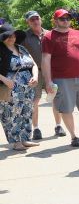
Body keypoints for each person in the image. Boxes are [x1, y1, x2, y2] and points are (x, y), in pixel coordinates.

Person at [41, 9, 79, 147]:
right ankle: (73, 136)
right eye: (62, 19)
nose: (65, 21)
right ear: (55, 20)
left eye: (67, 18)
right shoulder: (48, 36)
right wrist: (48, 81)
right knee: (66, 109)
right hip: (61, 79)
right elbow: (45, 59)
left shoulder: (78, 33)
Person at [21, 10, 64, 140]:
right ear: (27, 22)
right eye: (31, 20)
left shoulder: (50, 34)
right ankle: (36, 129)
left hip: (52, 71)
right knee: (35, 100)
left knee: (55, 98)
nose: (35, 21)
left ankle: (58, 125)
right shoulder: (23, 37)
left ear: (40, 19)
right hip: (34, 73)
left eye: (36, 18)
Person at [0, 23, 39, 151]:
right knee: (11, 114)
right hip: (10, 88)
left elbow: (33, 64)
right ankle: (15, 141)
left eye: (13, 35)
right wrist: (5, 79)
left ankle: (25, 138)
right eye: (7, 36)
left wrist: (35, 76)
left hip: (27, 87)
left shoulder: (22, 48)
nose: (11, 38)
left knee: (27, 112)